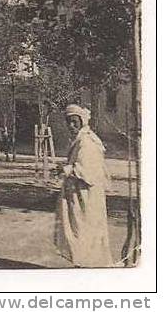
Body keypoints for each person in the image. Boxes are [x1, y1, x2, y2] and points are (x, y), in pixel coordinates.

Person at [54, 104, 113, 267]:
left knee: (85, 229)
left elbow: (89, 170)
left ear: (82, 122)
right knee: (79, 229)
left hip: (87, 195)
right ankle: (82, 262)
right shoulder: (80, 139)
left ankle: (88, 264)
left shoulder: (87, 142)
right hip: (80, 194)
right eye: (69, 122)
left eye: (74, 122)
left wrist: (67, 170)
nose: (71, 126)